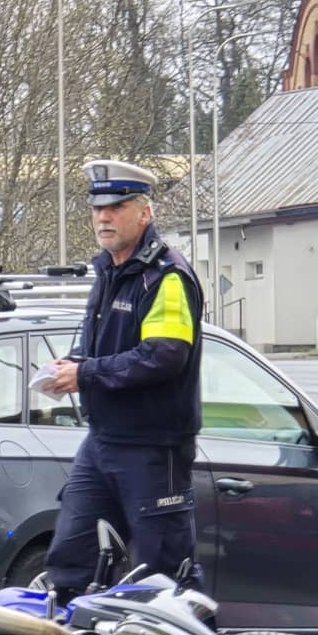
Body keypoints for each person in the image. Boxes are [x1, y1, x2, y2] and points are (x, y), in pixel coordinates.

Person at [42, 160, 204, 601]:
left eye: (116, 207)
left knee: (164, 577)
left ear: (144, 213)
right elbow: (108, 349)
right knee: (70, 561)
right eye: (97, 209)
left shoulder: (165, 275)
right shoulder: (109, 271)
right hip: (102, 442)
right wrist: (72, 366)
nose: (103, 217)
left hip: (153, 447)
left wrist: (86, 373)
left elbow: (164, 356)